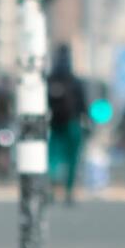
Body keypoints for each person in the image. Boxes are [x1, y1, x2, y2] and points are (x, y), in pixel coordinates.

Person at [46, 44, 89, 205]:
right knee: (72, 159)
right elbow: (83, 105)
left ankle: (51, 188)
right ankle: (69, 192)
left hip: (54, 125)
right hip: (73, 124)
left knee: (53, 157)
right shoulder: (75, 81)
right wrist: (88, 122)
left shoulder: (50, 80)